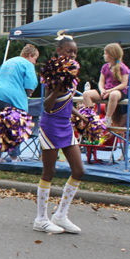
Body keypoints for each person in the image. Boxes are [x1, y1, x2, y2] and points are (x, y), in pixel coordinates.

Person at [34, 35, 86, 235]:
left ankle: (61, 215)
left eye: (74, 51)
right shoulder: (53, 75)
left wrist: (80, 115)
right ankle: (40, 219)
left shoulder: (72, 74)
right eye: (68, 51)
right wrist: (58, 84)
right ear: (59, 51)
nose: (72, 54)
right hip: (50, 126)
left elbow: (67, 101)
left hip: (66, 126)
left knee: (79, 170)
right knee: (49, 172)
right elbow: (47, 105)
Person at [0, 44, 39, 162]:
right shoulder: (28, 64)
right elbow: (31, 83)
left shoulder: (8, 61)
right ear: (30, 56)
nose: (35, 62)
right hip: (12, 97)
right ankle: (14, 158)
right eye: (35, 59)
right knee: (15, 126)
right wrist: (28, 94)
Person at [81, 43, 130, 127]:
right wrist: (102, 90)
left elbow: (124, 84)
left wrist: (110, 90)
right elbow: (101, 82)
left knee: (113, 95)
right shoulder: (105, 67)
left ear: (112, 54)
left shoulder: (123, 68)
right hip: (106, 90)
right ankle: (92, 117)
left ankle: (108, 118)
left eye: (106, 53)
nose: (104, 55)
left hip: (118, 91)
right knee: (86, 94)